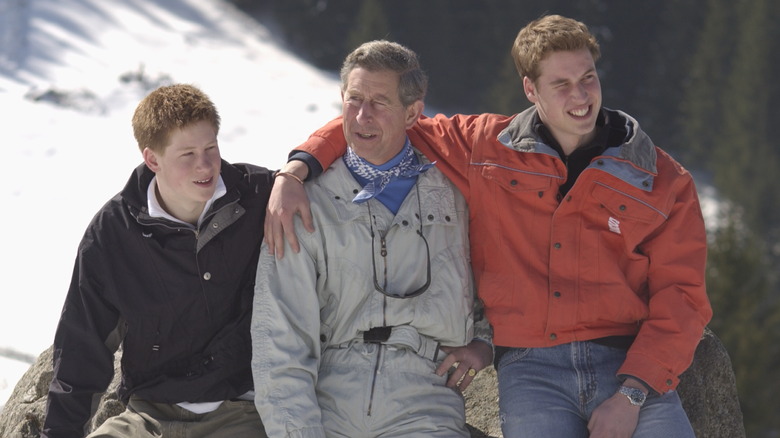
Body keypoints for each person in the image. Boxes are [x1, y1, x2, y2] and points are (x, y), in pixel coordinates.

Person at [266, 15, 713, 438]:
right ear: (530, 89)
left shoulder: (663, 179)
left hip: (629, 365)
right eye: (561, 84)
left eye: (587, 78)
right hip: (532, 370)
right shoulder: (483, 148)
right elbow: (376, 121)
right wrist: (297, 169)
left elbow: (683, 297)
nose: (581, 97)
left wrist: (633, 395)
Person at [251, 40, 492, 438]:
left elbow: (507, 271)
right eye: (354, 99)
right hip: (328, 399)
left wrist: (486, 341)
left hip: (425, 400)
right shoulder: (303, 201)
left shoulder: (457, 194)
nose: (363, 115)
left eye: (380, 102)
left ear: (413, 112)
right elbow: (280, 342)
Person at [41, 84, 273, 438]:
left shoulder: (259, 196)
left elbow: (344, 159)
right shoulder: (113, 233)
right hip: (148, 418)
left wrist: (298, 169)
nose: (206, 164)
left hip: (241, 412)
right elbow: (81, 346)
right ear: (152, 160)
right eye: (188, 154)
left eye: (211, 148)